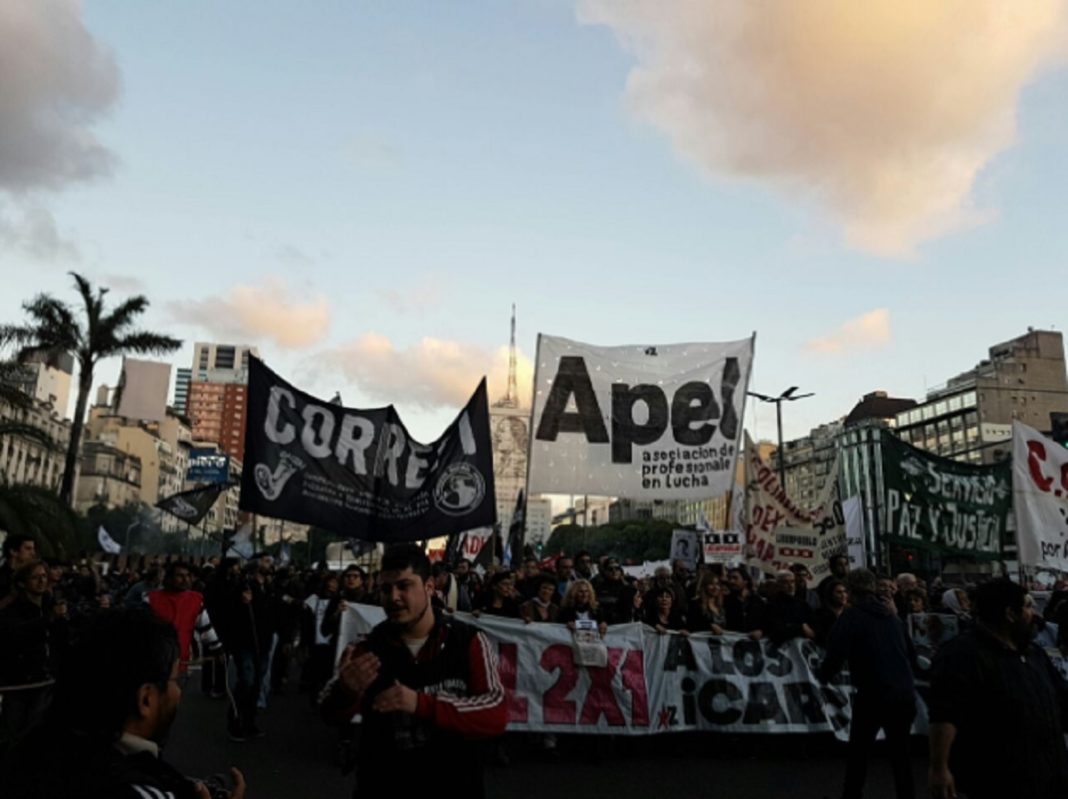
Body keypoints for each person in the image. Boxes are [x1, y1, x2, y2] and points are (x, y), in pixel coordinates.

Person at [320, 544, 506, 797]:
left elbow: (496, 711)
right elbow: (327, 712)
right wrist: (345, 691)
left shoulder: (468, 641)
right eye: (386, 589)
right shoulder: (365, 649)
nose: (393, 597)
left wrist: (421, 704)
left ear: (429, 587)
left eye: (404, 586)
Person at [4, 608, 247, 799]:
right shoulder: (132, 790)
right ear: (146, 699)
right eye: (176, 680)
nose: (178, 691)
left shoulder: (30, 753)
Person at [928, 579, 1068, 799]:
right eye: (1028, 607)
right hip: (999, 779)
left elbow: (1061, 698)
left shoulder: (1033, 653)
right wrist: (939, 768)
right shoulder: (962, 655)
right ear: (1010, 614)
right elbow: (944, 715)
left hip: (1047, 775)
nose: (1035, 615)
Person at [817, 568, 917, 799]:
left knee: (859, 753)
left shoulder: (851, 617)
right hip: (903, 692)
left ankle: (852, 795)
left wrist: (823, 677)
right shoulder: (892, 617)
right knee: (901, 756)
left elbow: (835, 654)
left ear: (851, 591)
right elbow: (910, 655)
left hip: (873, 693)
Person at [146, 561, 221, 671]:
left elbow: (205, 627)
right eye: (180, 576)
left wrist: (217, 648)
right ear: (170, 578)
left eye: (188, 576)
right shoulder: (151, 599)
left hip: (181, 660)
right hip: (154, 660)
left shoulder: (195, 600)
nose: (185, 580)